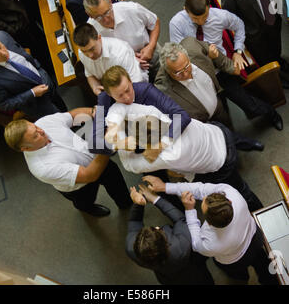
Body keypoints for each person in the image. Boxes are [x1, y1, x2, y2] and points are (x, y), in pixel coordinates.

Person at [103, 100, 263, 212]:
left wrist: (120, 143)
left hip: (222, 162)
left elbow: (131, 166)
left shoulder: (168, 156)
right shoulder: (159, 114)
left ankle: (260, 212)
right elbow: (119, 107)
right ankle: (253, 144)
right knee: (235, 139)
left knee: (241, 190)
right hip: (218, 131)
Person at [168, 0, 283, 130]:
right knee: (220, 116)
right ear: (185, 10)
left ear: (209, 7)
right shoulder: (176, 23)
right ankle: (230, 141)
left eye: (204, 17)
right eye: (195, 19)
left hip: (220, 70)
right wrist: (205, 55)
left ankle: (272, 114)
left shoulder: (220, 16)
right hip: (198, 73)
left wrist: (238, 51)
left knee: (247, 103)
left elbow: (239, 25)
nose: (201, 22)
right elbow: (179, 52)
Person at [141, 175, 278, 285]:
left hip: (235, 261)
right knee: (263, 264)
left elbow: (195, 242)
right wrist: (165, 187)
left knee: (238, 275)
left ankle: (242, 279)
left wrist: (189, 210)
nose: (203, 197)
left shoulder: (209, 243)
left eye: (203, 204)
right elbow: (201, 189)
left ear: (208, 222)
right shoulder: (232, 194)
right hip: (255, 237)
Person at [4, 108, 131, 217]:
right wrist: (107, 146)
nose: (41, 131)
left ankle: (126, 204)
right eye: (35, 136)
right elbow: (89, 175)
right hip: (79, 186)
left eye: (35, 127)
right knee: (85, 201)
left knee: (116, 183)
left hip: (96, 158)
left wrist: (94, 112)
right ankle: (88, 209)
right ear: (25, 148)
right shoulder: (42, 168)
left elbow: (73, 115)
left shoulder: (44, 123)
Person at [155, 40, 264, 151]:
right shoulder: (163, 88)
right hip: (203, 122)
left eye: (187, 66)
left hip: (218, 105)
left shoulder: (192, 45)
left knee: (229, 128)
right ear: (167, 71)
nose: (186, 74)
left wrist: (230, 66)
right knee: (221, 141)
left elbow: (213, 52)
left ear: (188, 56)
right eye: (178, 73)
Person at [90, 65, 191, 159]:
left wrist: (161, 145)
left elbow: (182, 115)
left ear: (130, 81)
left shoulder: (147, 90)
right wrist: (118, 145)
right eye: (120, 95)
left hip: (167, 138)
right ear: (109, 94)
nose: (127, 97)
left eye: (127, 90)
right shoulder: (104, 99)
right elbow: (94, 144)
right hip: (135, 152)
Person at [125, 183, 214, 285]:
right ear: (166, 244)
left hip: (167, 279)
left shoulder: (132, 249)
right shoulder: (180, 247)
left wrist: (138, 204)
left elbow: (134, 223)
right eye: (158, 229)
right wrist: (155, 199)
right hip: (195, 272)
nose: (158, 227)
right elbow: (181, 220)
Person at [0, 31, 67, 121]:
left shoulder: (3, 36)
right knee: (61, 121)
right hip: (37, 104)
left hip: (44, 78)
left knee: (63, 108)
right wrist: (32, 93)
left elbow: (22, 51)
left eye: (1, 47)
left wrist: (39, 69)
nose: (3, 53)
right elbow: (4, 104)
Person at [84, 0, 160, 82]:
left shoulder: (131, 9)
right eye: (99, 17)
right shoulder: (90, 31)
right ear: (89, 15)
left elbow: (154, 22)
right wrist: (132, 60)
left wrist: (151, 47)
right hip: (125, 68)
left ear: (110, 2)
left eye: (107, 12)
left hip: (150, 52)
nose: (106, 20)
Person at [220, 0, 289, 86]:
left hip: (275, 19)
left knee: (276, 47)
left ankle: (280, 63)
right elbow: (230, 17)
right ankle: (276, 77)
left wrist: (281, 12)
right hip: (255, 34)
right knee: (265, 59)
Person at [73, 23, 148, 96]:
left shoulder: (120, 53)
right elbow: (90, 74)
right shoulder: (81, 53)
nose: (90, 55)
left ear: (99, 38)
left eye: (92, 49)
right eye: (84, 51)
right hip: (111, 92)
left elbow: (135, 85)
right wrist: (95, 88)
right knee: (99, 108)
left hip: (133, 92)